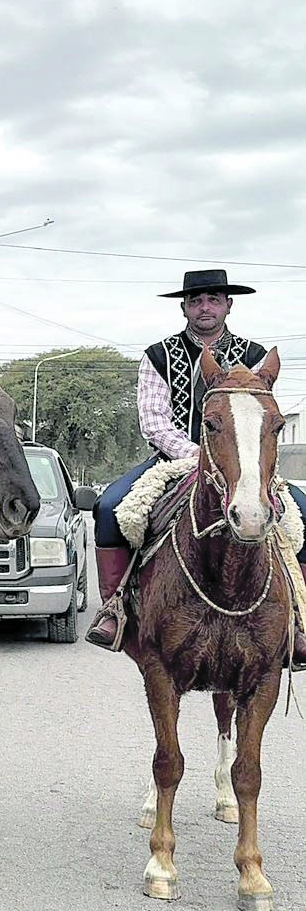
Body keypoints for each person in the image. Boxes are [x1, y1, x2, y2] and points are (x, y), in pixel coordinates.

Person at [88, 267, 306, 661]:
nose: (205, 307)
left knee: (304, 512)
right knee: (108, 508)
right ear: (185, 307)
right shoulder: (159, 355)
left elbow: (262, 417)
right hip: (174, 460)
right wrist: (197, 455)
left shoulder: (255, 356)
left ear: (228, 305)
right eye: (196, 300)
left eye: (214, 300)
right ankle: (114, 608)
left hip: (245, 465)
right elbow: (154, 421)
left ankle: (299, 619)